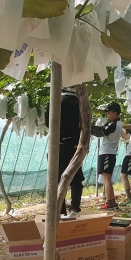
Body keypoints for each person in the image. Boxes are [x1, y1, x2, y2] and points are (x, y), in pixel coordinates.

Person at [54, 90, 85, 219]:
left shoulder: (56, 101)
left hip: (58, 145)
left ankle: (60, 210)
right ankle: (75, 208)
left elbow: (48, 123)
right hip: (76, 147)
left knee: (57, 178)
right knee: (76, 178)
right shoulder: (82, 104)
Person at [95, 102, 122, 210]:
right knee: (107, 178)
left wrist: (87, 128)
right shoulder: (116, 123)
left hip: (107, 152)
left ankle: (109, 202)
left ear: (114, 113)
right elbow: (102, 128)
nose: (107, 115)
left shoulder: (113, 124)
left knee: (106, 178)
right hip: (109, 152)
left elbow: (101, 132)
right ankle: (111, 200)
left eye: (109, 112)